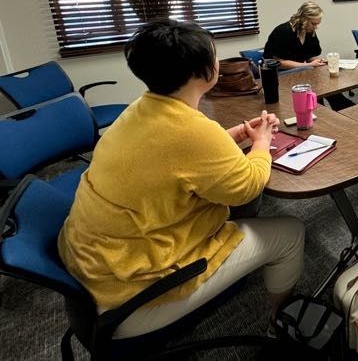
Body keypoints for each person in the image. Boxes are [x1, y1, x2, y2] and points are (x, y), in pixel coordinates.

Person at [58, 20, 305, 339]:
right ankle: (279, 327)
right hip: (133, 297)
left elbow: (176, 157)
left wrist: (235, 135)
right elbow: (246, 188)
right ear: (206, 71)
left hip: (96, 262)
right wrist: (261, 142)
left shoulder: (139, 109)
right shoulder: (191, 131)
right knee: (290, 232)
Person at [264, 1, 353, 110]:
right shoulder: (283, 32)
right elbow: (279, 63)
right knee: (314, 79)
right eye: (313, 23)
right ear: (303, 19)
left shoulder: (308, 31)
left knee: (321, 74)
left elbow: (310, 55)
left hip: (300, 70)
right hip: (279, 75)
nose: (316, 27)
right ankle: (328, 106)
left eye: (317, 24)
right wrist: (308, 65)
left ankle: (336, 104)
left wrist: (319, 62)